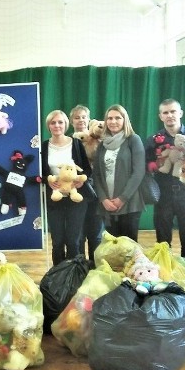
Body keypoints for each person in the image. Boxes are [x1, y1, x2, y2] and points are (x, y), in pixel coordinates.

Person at [145, 99, 185, 262]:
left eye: (173, 111)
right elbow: (146, 165)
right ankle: (165, 277)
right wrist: (157, 164)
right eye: (165, 112)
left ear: (180, 113)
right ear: (160, 116)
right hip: (163, 194)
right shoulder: (153, 139)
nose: (170, 115)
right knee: (162, 241)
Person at [41, 109, 92, 265]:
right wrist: (47, 181)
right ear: (48, 126)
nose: (57, 125)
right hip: (54, 199)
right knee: (57, 242)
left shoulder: (76, 144)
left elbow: (87, 169)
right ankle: (57, 276)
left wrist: (82, 181)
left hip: (76, 199)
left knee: (73, 241)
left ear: (66, 124)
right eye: (53, 122)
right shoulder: (43, 146)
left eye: (60, 122)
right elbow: (40, 173)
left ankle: (73, 275)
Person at [92, 104, 146, 242]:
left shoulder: (133, 140)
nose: (113, 121)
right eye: (109, 118)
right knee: (113, 247)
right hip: (107, 205)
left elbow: (138, 172)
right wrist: (103, 199)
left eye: (117, 118)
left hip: (129, 203)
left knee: (129, 247)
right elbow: (96, 174)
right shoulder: (102, 144)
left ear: (124, 120)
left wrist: (122, 198)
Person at [69, 105, 103, 258]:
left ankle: (95, 268)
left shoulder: (100, 139)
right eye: (77, 117)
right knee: (79, 233)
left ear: (89, 120)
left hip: (97, 190)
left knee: (96, 232)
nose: (81, 120)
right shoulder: (68, 142)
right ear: (71, 121)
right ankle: (81, 265)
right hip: (77, 190)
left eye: (84, 117)